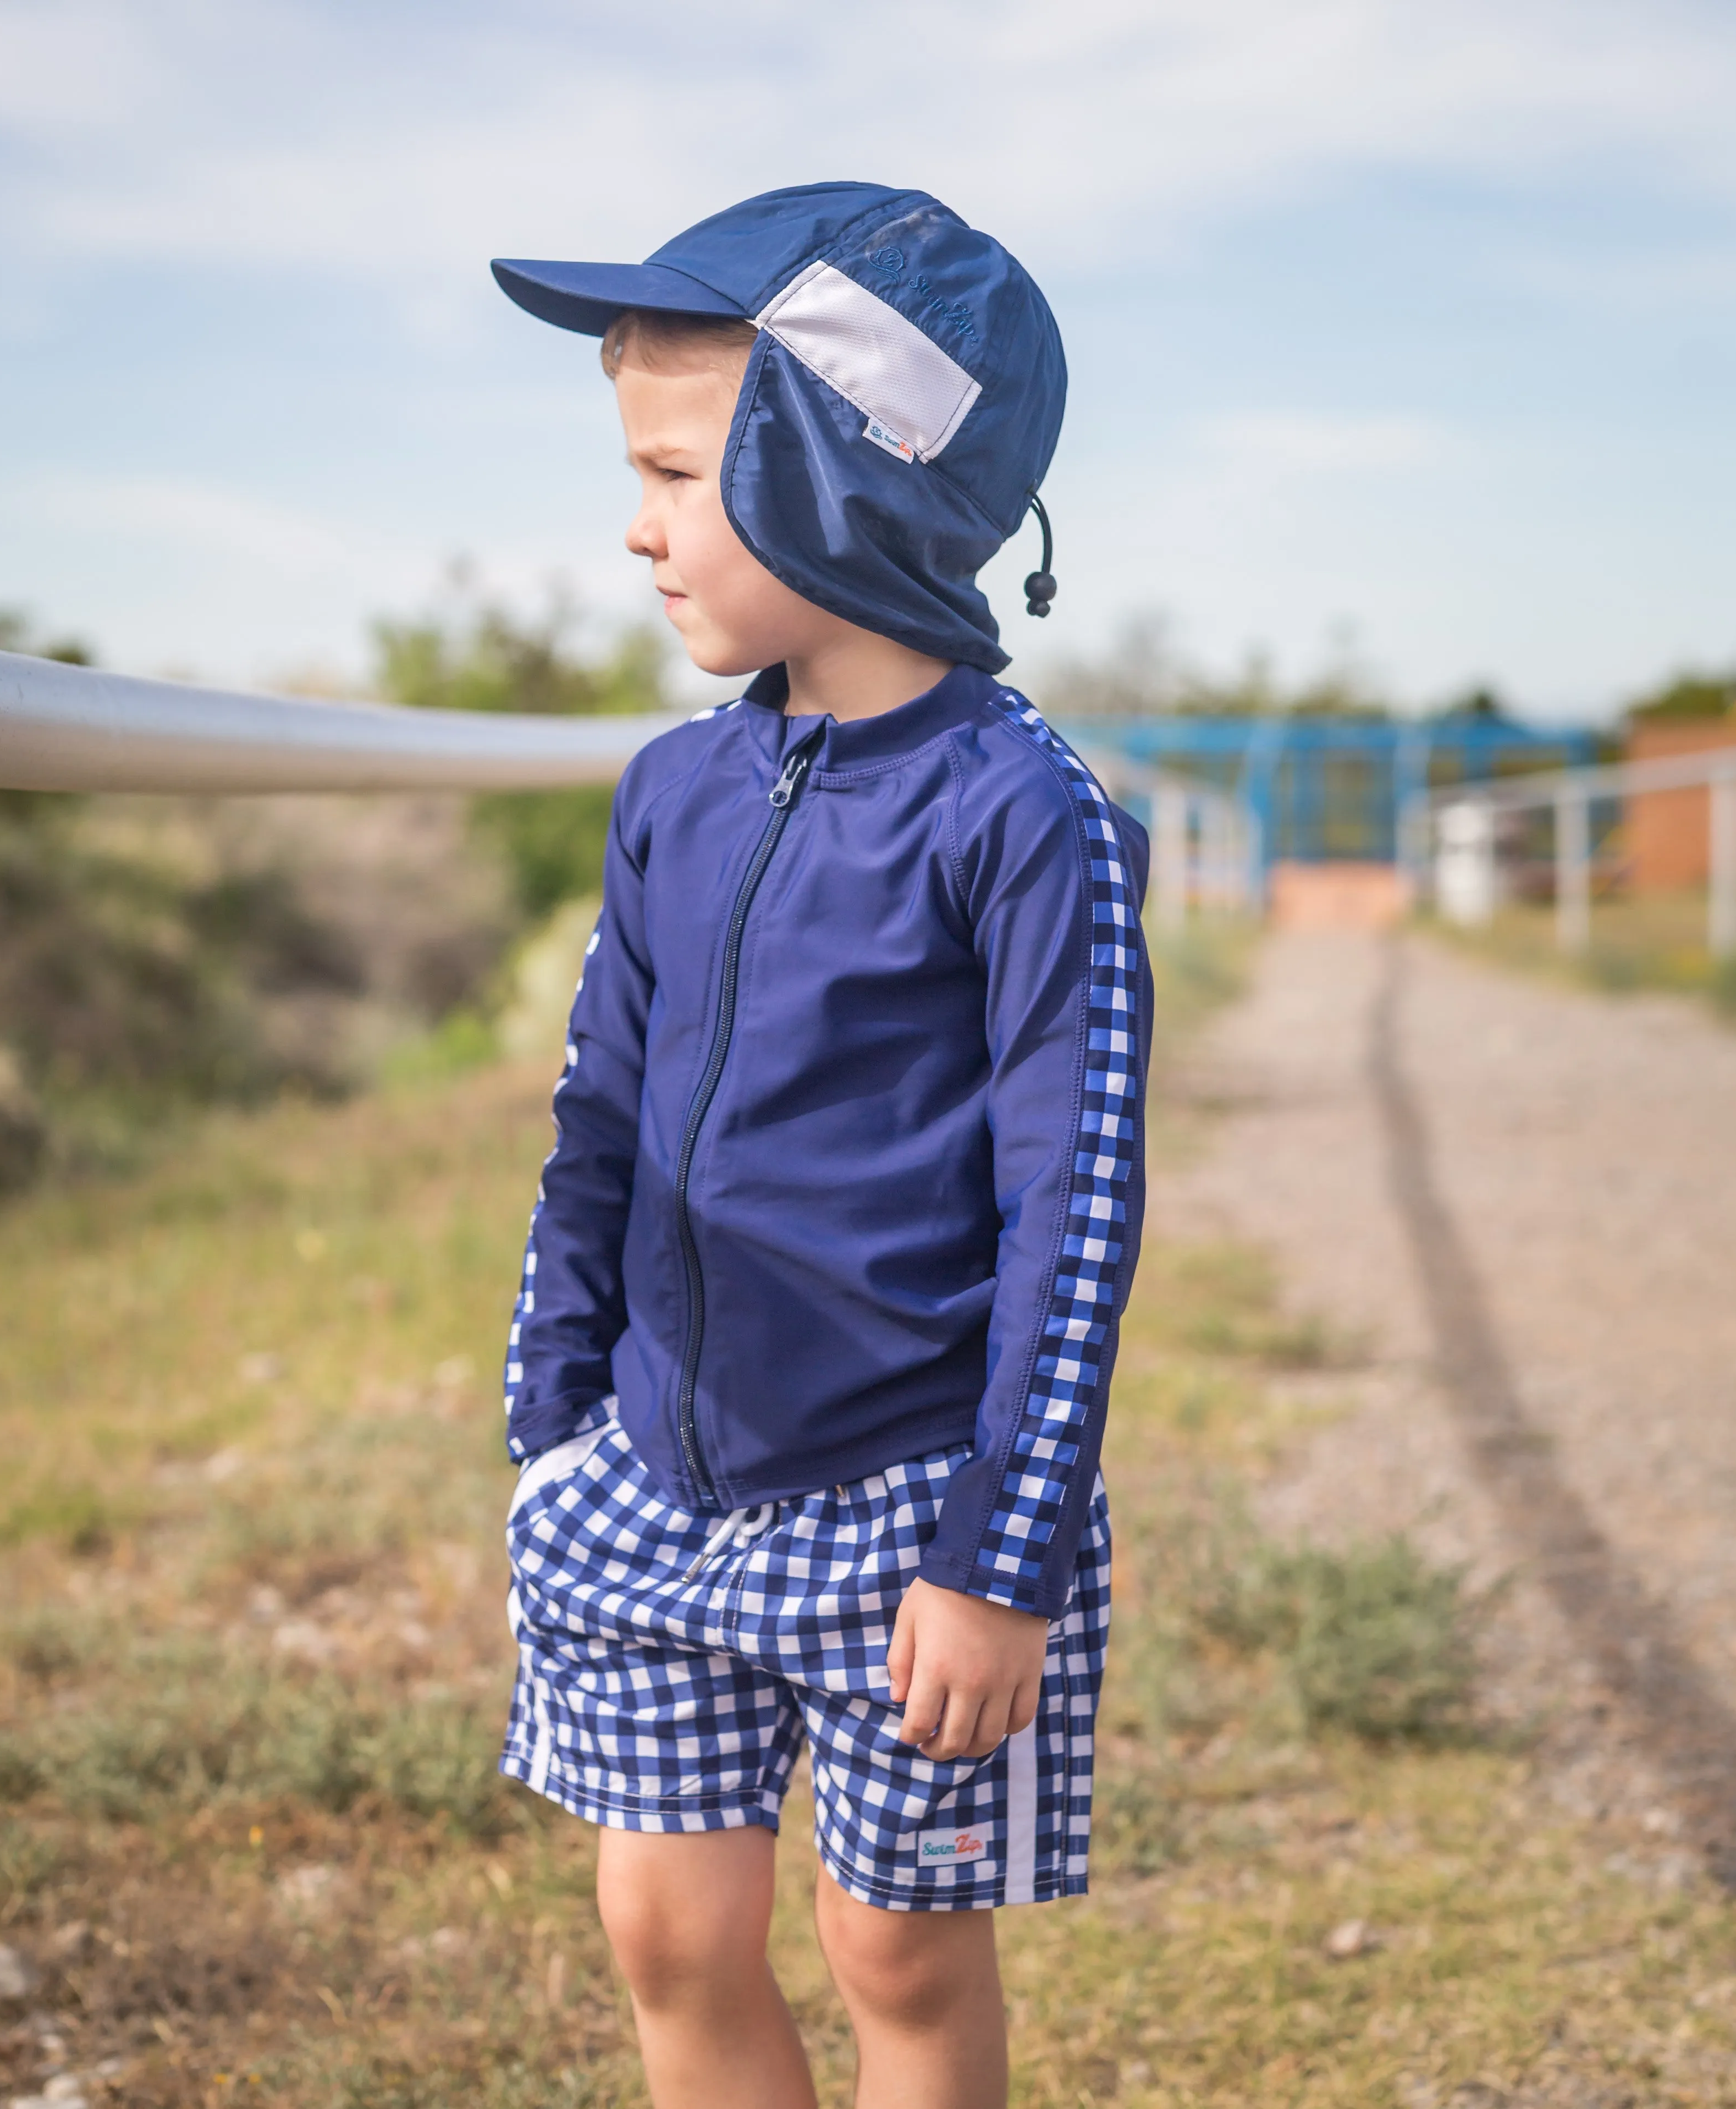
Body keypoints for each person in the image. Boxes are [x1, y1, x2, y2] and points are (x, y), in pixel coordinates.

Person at [489, 183, 1151, 2109]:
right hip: (650, 1471)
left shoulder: (1026, 818)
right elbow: (595, 1115)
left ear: (839, 470)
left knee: (896, 1955)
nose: (637, 524)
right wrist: (548, 1429)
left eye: (682, 471)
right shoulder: (671, 792)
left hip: (911, 1514)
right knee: (665, 1934)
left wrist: (1003, 1556)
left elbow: (1078, 1202)